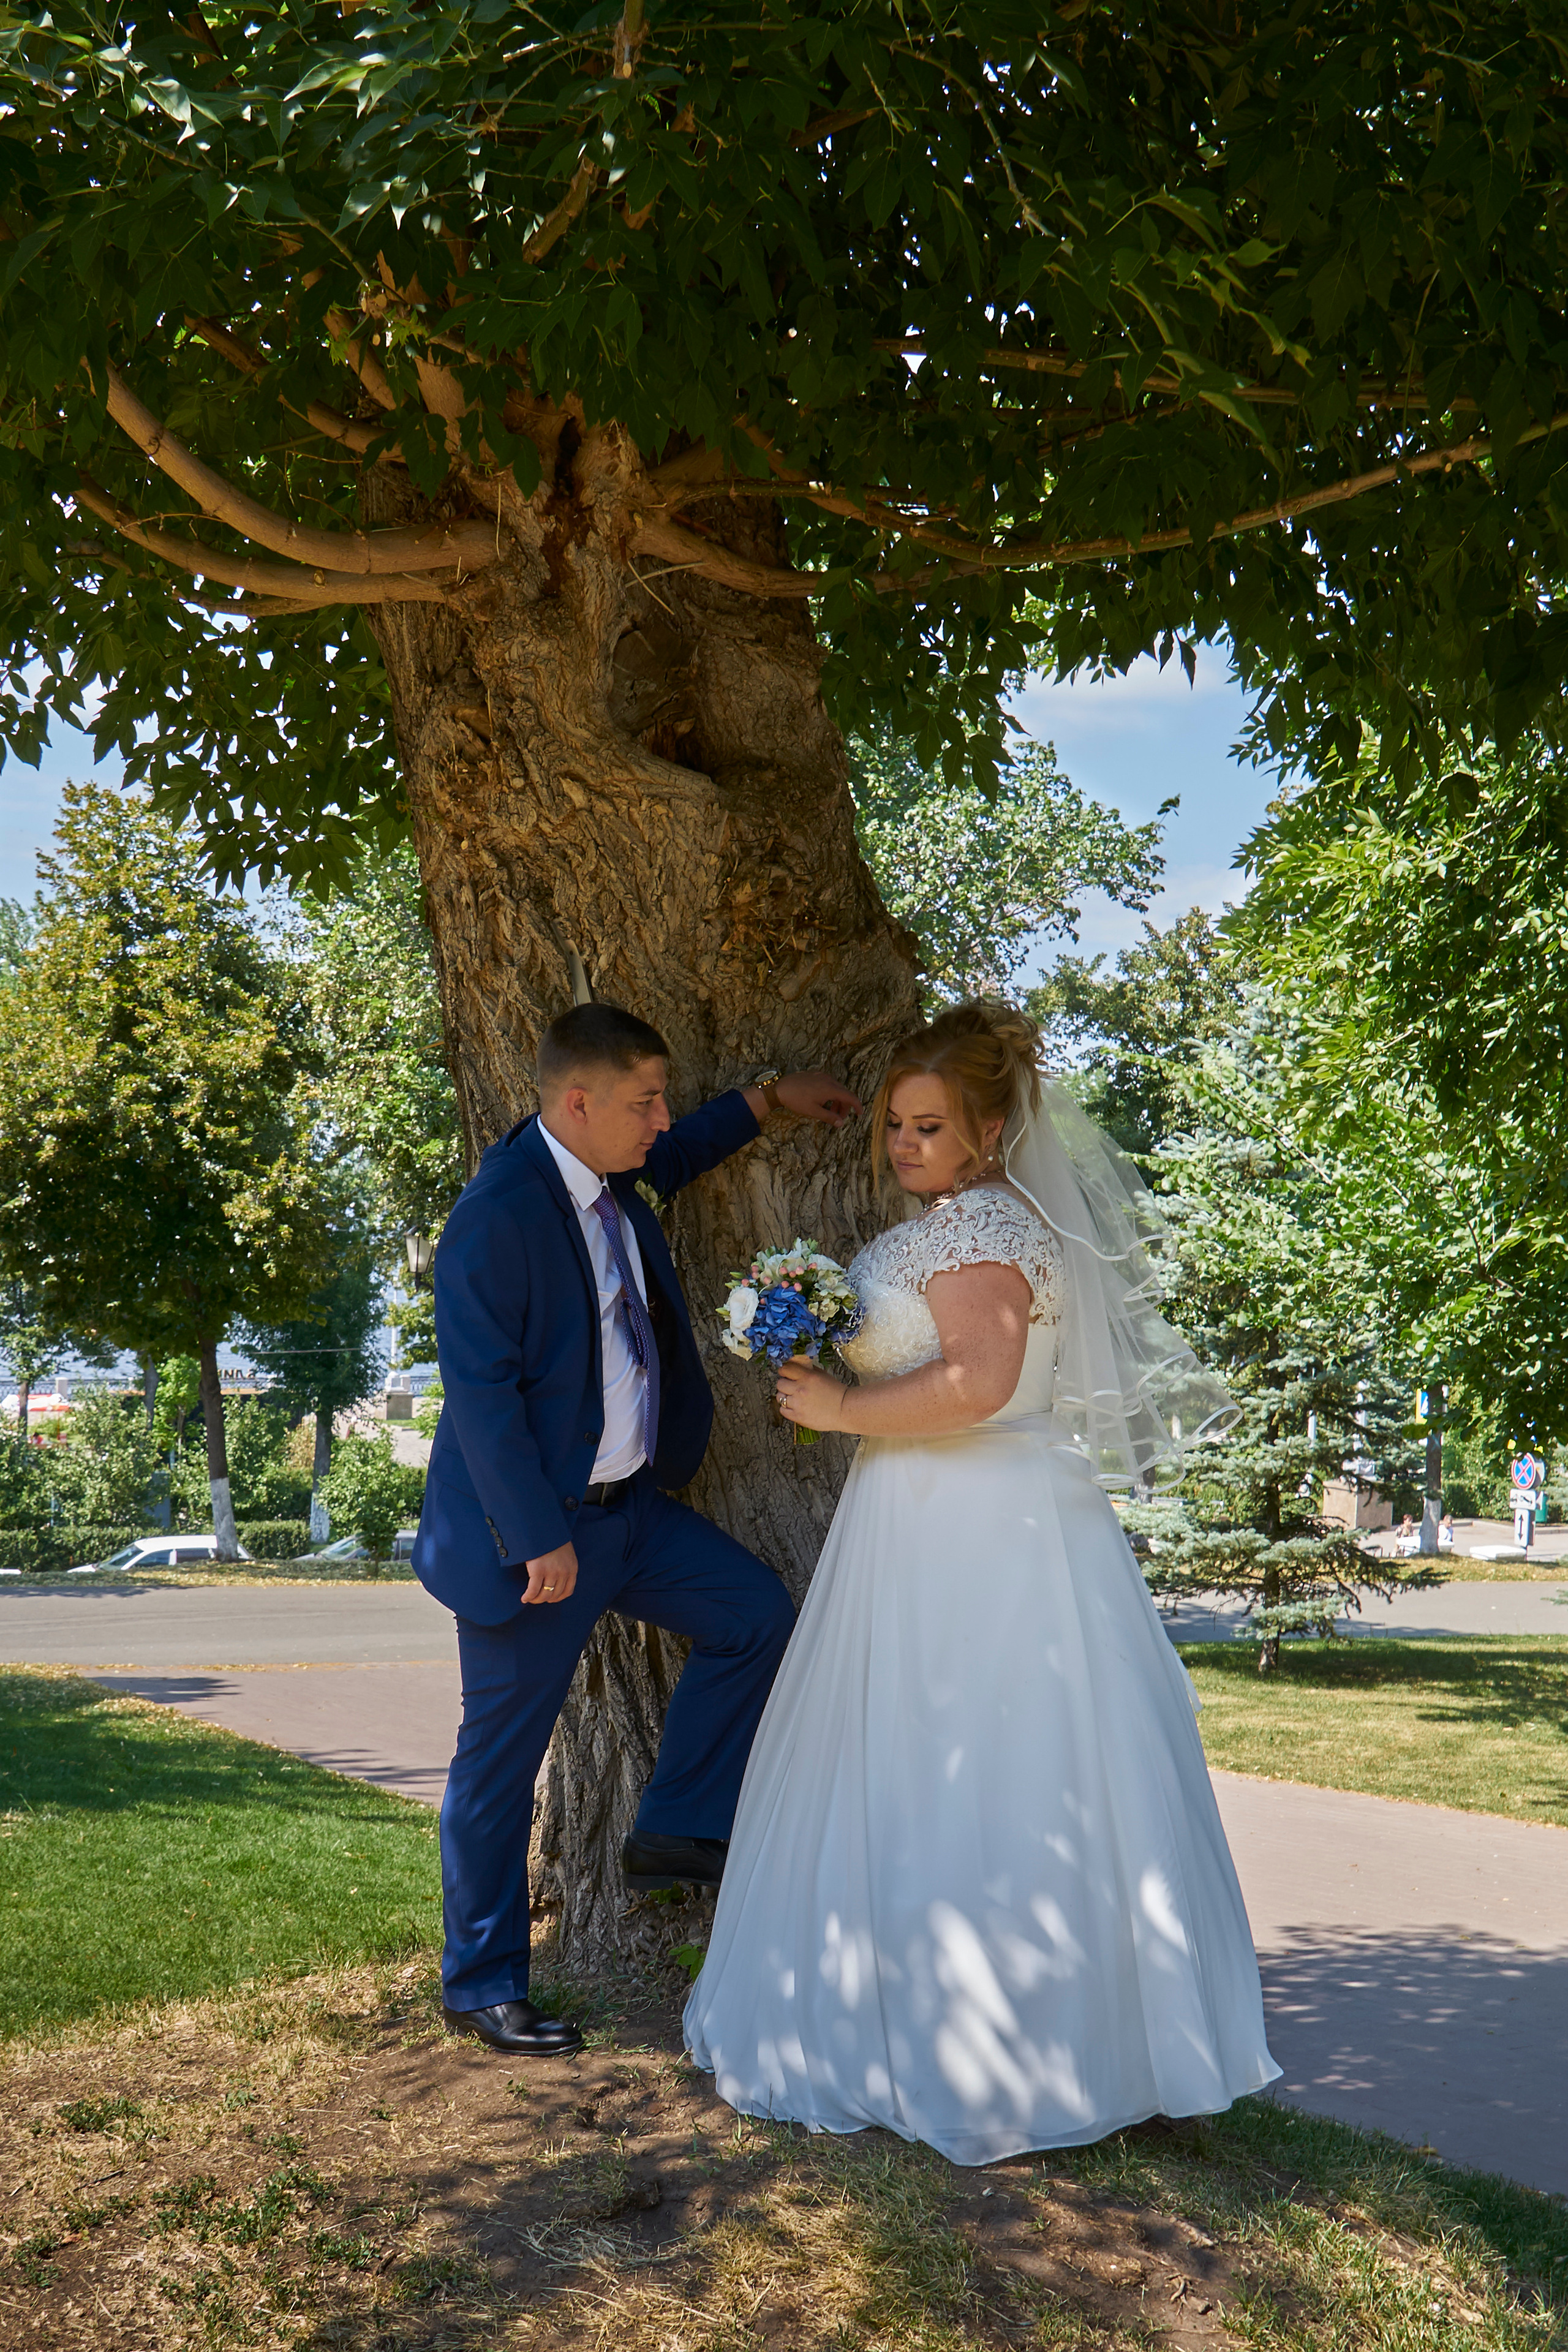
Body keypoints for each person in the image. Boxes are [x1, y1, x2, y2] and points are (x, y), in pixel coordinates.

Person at [684, 1001, 1280, 2163]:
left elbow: (979, 1382)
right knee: (928, 1751)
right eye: (897, 1126)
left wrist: (841, 1405)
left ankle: (1005, 2047)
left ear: (992, 1129)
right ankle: (957, 2018)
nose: (904, 1145)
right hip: (931, 1516)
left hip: (976, 1522)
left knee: (983, 1746)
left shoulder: (981, 1233)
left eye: (929, 1127)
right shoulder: (969, 1222)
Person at [416, 1001, 861, 2058]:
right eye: (644, 1100)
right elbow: (479, 1397)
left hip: (631, 1518)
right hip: (531, 1548)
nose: (663, 1116)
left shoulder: (609, 1176)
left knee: (754, 1614)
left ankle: (673, 1827)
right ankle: (481, 1985)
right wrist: (536, 1539)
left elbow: (684, 1150)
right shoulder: (498, 1216)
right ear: (579, 1102)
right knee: (498, 1767)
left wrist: (764, 1102)